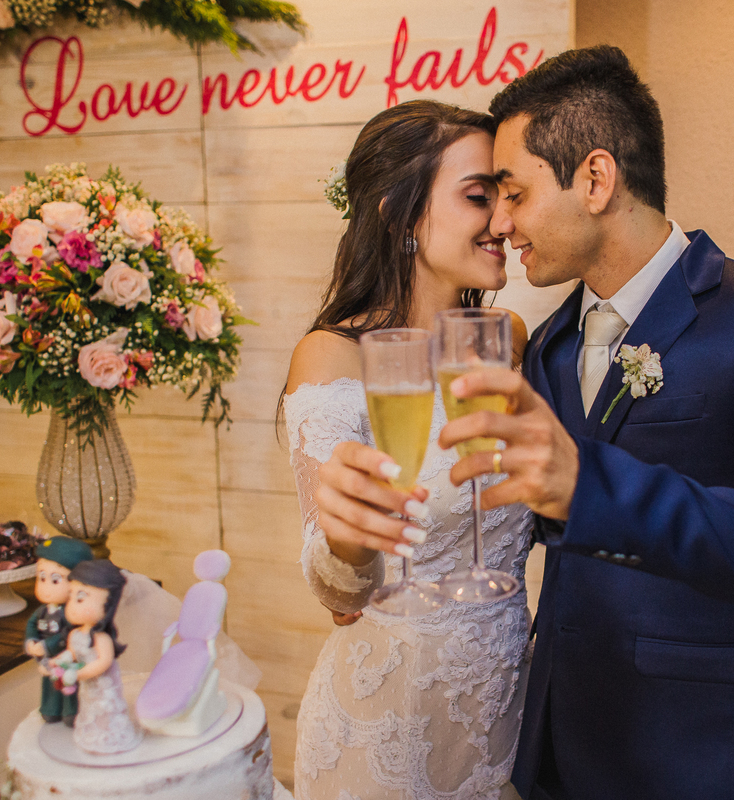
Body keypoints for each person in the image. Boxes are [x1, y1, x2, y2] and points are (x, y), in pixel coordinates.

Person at [435, 46, 734, 799]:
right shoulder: (551, 345)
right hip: (557, 752)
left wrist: (592, 486)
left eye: (514, 194)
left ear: (596, 179)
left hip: (704, 756)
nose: (501, 223)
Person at [283, 99, 532, 800]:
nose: (503, 222)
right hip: (388, 724)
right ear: (399, 213)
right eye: (480, 196)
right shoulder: (333, 356)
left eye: (508, 197)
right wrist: (350, 540)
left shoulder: (505, 338)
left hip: (507, 717)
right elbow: (336, 590)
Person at [60, 558, 143, 755]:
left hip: (103, 684)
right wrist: (57, 662)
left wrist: (78, 674)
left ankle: (109, 736)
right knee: (89, 707)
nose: (71, 605)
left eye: (81, 598)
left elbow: (103, 662)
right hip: (88, 685)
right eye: (71, 596)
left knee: (105, 710)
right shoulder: (75, 634)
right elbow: (71, 653)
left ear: (108, 605)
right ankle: (91, 734)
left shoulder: (101, 638)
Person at [24, 535, 93, 725]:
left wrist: (46, 645)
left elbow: (69, 634)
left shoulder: (72, 613)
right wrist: (31, 641)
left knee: (69, 683)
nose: (45, 587)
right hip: (47, 658)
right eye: (41, 577)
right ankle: (50, 709)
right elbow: (31, 625)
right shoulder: (42, 611)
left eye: (55, 580)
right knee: (50, 684)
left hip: (66, 657)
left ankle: (71, 712)